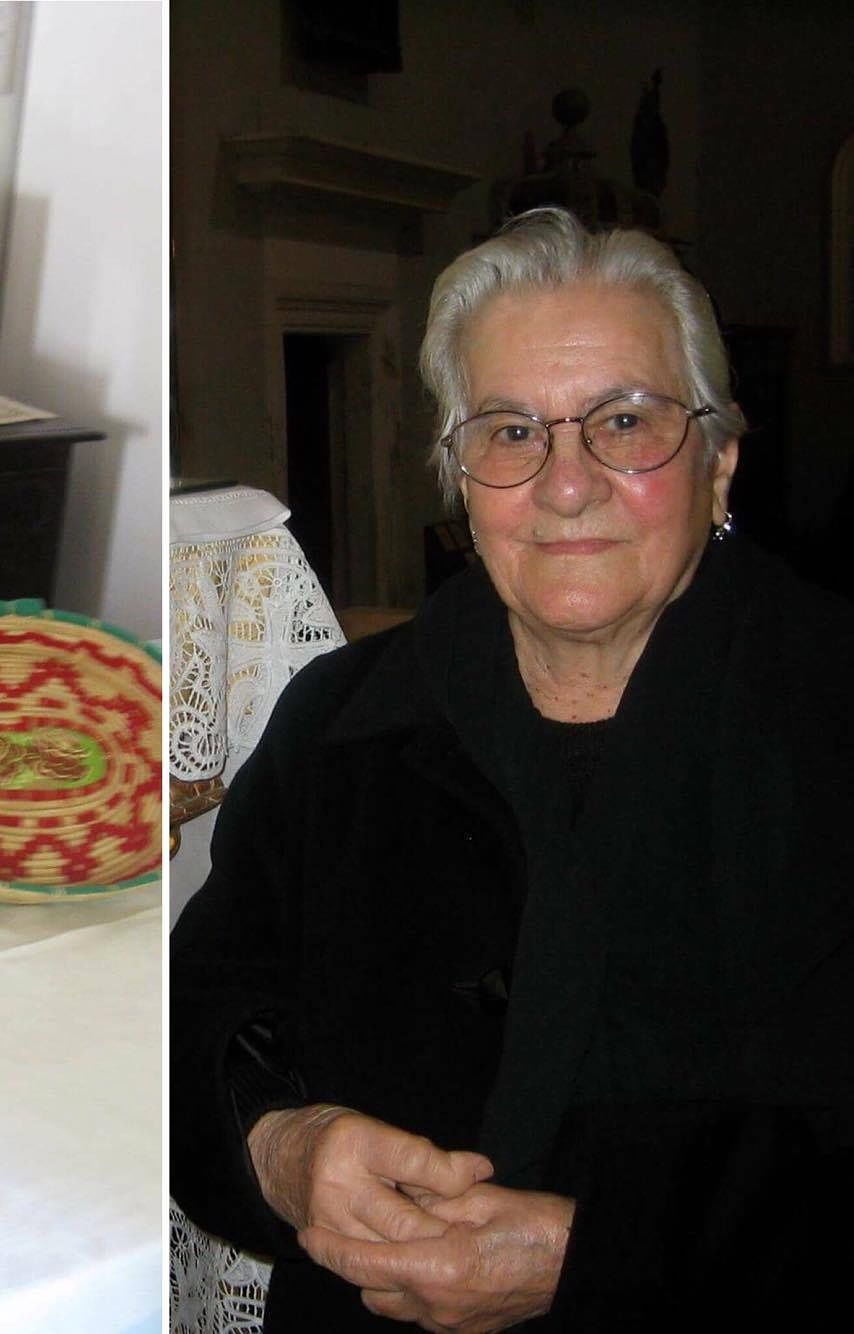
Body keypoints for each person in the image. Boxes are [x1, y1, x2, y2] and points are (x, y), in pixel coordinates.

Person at [170, 206, 854, 1330]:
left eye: (624, 421)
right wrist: (279, 1141)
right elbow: (199, 1004)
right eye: (509, 431)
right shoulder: (337, 721)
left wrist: (613, 1254)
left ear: (720, 464)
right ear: (458, 478)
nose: (566, 484)